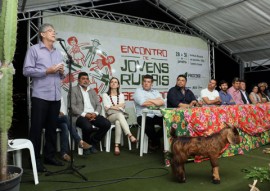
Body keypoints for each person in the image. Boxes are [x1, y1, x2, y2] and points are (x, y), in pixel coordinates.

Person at [23, 23, 65, 172]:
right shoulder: (34, 50)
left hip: (55, 96)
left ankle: (50, 156)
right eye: (50, 31)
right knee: (36, 129)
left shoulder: (58, 52)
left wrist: (61, 72)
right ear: (42, 34)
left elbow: (62, 75)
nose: (53, 33)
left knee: (52, 129)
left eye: (54, 31)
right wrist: (46, 71)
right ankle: (34, 160)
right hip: (40, 96)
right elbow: (26, 71)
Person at [70, 72, 111, 155]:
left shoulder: (92, 91)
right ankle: (86, 146)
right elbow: (72, 106)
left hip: (93, 114)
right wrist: (85, 114)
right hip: (80, 115)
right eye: (83, 79)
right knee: (87, 126)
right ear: (78, 80)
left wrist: (95, 113)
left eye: (87, 79)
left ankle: (92, 143)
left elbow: (98, 105)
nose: (85, 81)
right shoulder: (73, 90)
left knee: (106, 124)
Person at [102, 77, 137, 156]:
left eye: (115, 82)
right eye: (112, 82)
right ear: (110, 84)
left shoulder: (121, 95)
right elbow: (107, 108)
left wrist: (112, 106)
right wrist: (118, 106)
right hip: (109, 117)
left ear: (118, 85)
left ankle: (116, 146)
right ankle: (130, 135)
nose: (113, 83)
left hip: (119, 116)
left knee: (118, 122)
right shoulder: (105, 95)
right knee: (119, 114)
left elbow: (122, 107)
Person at [133, 74, 165, 150]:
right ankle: (156, 142)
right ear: (142, 83)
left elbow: (162, 102)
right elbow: (142, 103)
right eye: (145, 81)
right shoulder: (138, 91)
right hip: (143, 115)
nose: (146, 83)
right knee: (148, 125)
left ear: (151, 84)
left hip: (156, 114)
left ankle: (154, 140)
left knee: (168, 123)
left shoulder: (155, 91)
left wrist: (149, 99)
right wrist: (155, 101)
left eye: (148, 82)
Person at [58, 97, 91, 161]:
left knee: (64, 125)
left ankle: (64, 154)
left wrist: (60, 113)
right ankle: (79, 141)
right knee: (66, 118)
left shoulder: (60, 97)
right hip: (49, 120)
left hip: (59, 120)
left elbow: (63, 112)